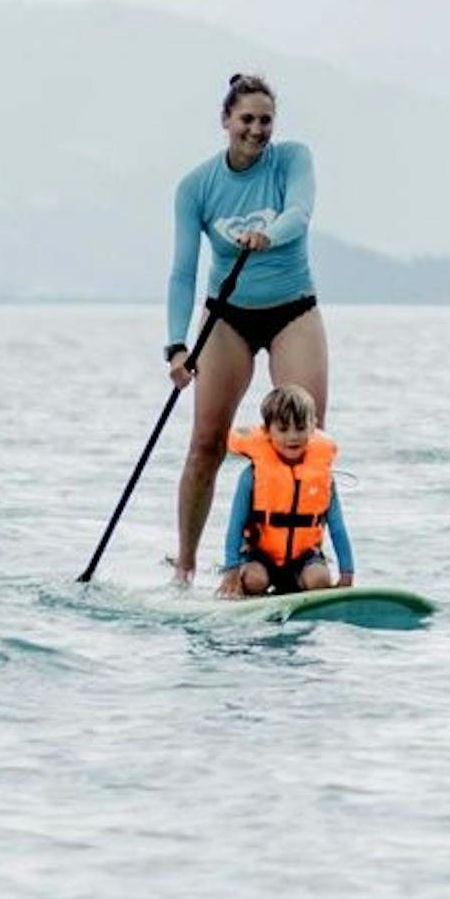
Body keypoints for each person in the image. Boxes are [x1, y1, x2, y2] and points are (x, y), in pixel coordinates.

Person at [164, 71, 329, 585]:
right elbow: (183, 271)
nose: (257, 131)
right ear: (225, 121)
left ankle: (297, 559)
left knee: (305, 440)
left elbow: (299, 214)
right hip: (227, 317)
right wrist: (176, 347)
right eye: (247, 120)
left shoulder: (293, 159)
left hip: (292, 310)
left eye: (266, 121)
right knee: (206, 444)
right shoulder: (197, 187)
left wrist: (268, 235)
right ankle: (186, 567)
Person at [217, 383, 351, 597]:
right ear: (267, 430)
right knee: (255, 580)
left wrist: (347, 573)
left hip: (304, 558)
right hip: (259, 558)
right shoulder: (251, 476)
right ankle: (245, 584)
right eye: (283, 428)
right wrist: (230, 570)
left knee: (320, 580)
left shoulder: (324, 478)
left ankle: (296, 585)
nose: (292, 436)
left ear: (313, 426)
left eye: (300, 427)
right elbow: (235, 526)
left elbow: (338, 529)